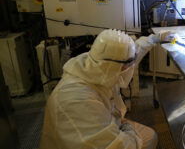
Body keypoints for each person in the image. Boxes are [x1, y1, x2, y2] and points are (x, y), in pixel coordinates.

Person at [40, 29, 174, 149]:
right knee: (150, 139)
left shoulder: (99, 66)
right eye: (128, 65)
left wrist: (154, 39)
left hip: (108, 121)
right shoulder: (76, 99)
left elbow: (132, 53)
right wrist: (128, 129)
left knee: (151, 136)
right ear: (115, 67)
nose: (131, 68)